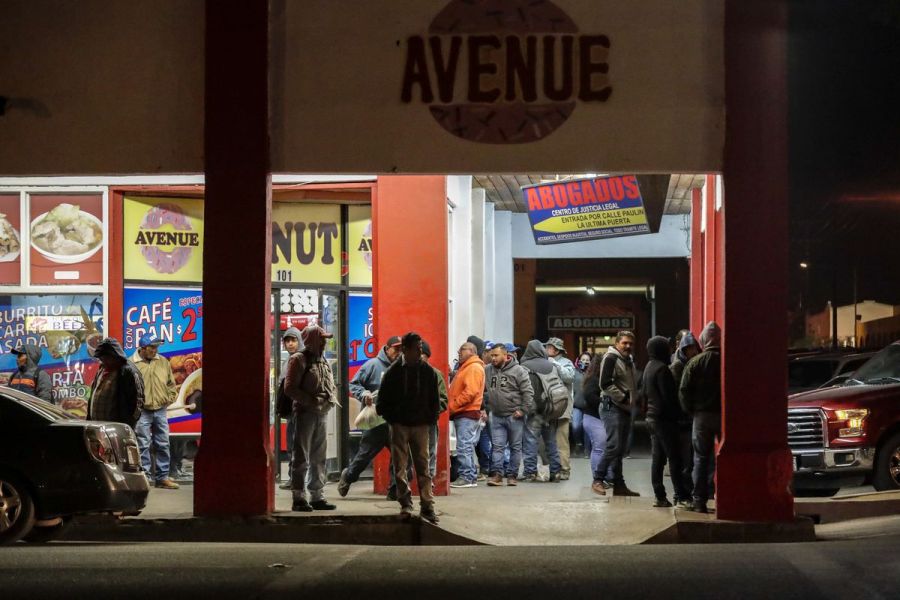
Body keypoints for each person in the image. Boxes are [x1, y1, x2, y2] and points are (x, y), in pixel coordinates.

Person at [376, 332, 441, 523]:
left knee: (423, 467)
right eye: (417, 348)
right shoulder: (393, 373)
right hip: (400, 425)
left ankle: (427, 505)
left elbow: (434, 401)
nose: (420, 351)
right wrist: (393, 419)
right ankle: (405, 502)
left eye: (421, 348)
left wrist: (429, 419)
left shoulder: (427, 372)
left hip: (420, 425)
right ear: (406, 349)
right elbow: (383, 401)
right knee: (400, 467)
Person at [338, 336, 403, 499]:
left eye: (401, 349)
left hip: (396, 421)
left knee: (400, 456)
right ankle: (349, 476)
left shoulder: (404, 368)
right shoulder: (372, 365)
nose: (398, 352)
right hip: (375, 422)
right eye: (396, 349)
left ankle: (394, 490)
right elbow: (354, 384)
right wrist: (364, 394)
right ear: (387, 349)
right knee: (364, 455)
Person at [286, 324, 339, 512]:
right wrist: (310, 400)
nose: (325, 342)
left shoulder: (322, 360)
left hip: (322, 413)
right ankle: (298, 497)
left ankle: (317, 495)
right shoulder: (298, 360)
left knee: (319, 457)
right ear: (312, 339)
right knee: (301, 456)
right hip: (305, 414)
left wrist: (330, 397)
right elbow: (290, 388)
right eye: (322, 338)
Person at [642, 336, 691, 507]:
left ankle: (660, 496)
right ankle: (681, 496)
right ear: (661, 349)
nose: (671, 349)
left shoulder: (649, 367)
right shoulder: (662, 369)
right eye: (667, 347)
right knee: (674, 458)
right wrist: (679, 416)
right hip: (664, 421)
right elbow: (669, 398)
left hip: (652, 418)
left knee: (658, 459)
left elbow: (645, 394)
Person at [679, 322, 722, 514]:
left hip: (701, 416)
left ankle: (699, 502)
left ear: (703, 340)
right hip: (724, 416)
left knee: (700, 458)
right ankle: (722, 495)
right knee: (725, 455)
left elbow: (684, 391)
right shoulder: (727, 361)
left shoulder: (695, 362)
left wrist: (691, 411)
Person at [593, 331, 640, 496]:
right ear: (617, 343)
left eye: (630, 344)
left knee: (620, 449)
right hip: (612, 406)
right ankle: (598, 479)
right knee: (614, 446)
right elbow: (604, 383)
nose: (628, 346)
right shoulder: (611, 358)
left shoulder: (628, 360)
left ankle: (619, 485)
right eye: (624, 343)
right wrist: (624, 397)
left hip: (624, 408)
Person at [131, 332, 179, 490]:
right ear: (143, 347)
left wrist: (170, 397)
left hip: (160, 410)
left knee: (163, 443)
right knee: (143, 444)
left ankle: (162, 478)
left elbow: (171, 384)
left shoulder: (163, 361)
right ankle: (145, 478)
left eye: (157, 346)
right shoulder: (131, 363)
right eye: (152, 347)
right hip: (142, 411)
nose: (155, 350)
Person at [484, 343, 534, 486]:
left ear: (505, 356)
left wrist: (523, 410)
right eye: (491, 355)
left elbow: (528, 392)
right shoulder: (487, 370)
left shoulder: (519, 371)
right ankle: (497, 475)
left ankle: (512, 475)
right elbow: (482, 389)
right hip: (497, 415)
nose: (492, 358)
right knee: (497, 446)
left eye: (496, 355)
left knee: (515, 446)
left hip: (514, 415)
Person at [520, 340, 562, 482]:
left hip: (534, 411)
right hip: (550, 409)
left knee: (531, 441)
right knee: (551, 441)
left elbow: (525, 389)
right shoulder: (551, 365)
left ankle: (530, 472)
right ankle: (556, 471)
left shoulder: (525, 366)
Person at [448, 341, 485, 487]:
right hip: (464, 412)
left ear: (472, 351)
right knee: (466, 445)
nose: (459, 352)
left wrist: (453, 406)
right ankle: (469, 475)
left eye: (462, 349)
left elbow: (470, 392)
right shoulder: (468, 367)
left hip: (466, 412)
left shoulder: (473, 367)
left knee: (464, 445)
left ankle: (467, 477)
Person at [670, 330, 701, 497]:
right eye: (689, 348)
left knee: (690, 458)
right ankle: (683, 493)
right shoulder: (678, 366)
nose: (693, 351)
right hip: (683, 419)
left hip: (690, 417)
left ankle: (687, 491)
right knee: (685, 459)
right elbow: (679, 393)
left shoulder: (691, 363)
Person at [88, 338, 144, 429]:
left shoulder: (128, 371)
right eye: (101, 358)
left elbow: (138, 401)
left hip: (117, 430)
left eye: (106, 358)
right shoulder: (102, 368)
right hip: (98, 428)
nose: (103, 361)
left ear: (116, 356)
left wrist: (128, 425)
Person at [545, 337, 576, 479]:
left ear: (556, 350)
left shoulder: (566, 362)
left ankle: (564, 469)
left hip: (563, 405)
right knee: (548, 438)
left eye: (549, 347)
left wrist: (555, 364)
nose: (546, 349)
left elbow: (569, 377)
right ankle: (553, 467)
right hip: (548, 406)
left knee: (561, 438)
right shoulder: (544, 362)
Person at [278, 327, 303, 490]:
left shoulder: (302, 359)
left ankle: (298, 480)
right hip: (290, 410)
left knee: (298, 445)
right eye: (287, 341)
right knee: (291, 444)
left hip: (300, 409)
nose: (290, 344)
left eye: (293, 340)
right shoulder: (287, 361)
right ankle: (293, 478)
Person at [581, 354, 609, 495]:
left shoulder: (594, 378)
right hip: (593, 418)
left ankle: (603, 477)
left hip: (594, 418)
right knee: (599, 448)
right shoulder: (594, 379)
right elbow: (589, 396)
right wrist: (604, 402)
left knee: (602, 448)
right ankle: (597, 478)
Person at [421, 340, 448, 478]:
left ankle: (428, 480)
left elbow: (443, 399)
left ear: (427, 356)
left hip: (429, 420)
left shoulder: (435, 375)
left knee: (430, 451)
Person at [571, 351, 592, 457]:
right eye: (583, 360)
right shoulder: (574, 372)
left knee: (587, 428)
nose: (585, 362)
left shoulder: (592, 372)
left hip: (589, 406)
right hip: (577, 405)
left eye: (587, 360)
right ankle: (578, 443)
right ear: (578, 360)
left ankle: (587, 450)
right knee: (575, 426)